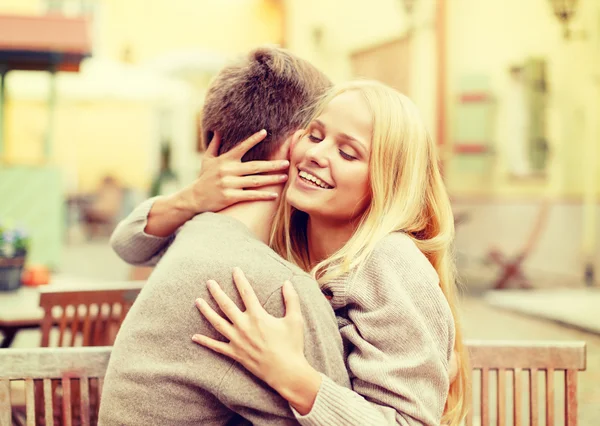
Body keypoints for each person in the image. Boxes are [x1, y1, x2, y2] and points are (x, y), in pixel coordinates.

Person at [110, 80, 469, 425]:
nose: (316, 154)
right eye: (314, 135)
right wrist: (194, 197)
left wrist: (294, 378)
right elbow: (130, 243)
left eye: (347, 152)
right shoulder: (287, 237)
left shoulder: (389, 262)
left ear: (387, 182)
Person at [98, 46, 352, 426]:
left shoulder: (197, 233)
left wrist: (192, 199)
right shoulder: (275, 287)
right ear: (295, 147)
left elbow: (128, 243)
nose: (323, 153)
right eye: (318, 137)